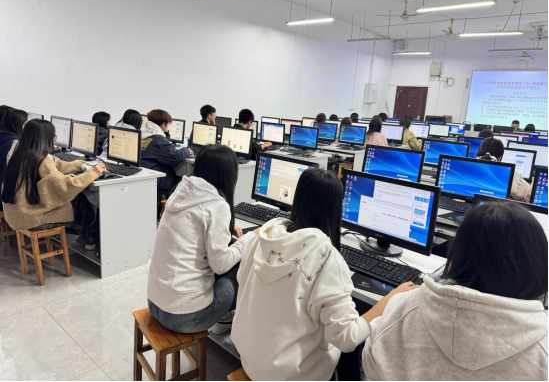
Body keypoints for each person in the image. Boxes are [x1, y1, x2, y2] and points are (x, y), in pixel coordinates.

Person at [232, 168, 418, 381]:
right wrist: (388, 301)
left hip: (249, 358)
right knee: (349, 340)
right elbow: (347, 338)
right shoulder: (327, 258)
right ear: (336, 208)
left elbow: (241, 281)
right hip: (289, 374)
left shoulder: (261, 237)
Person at [362, 201, 547, 380]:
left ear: (458, 251)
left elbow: (371, 365)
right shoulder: (542, 353)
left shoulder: (401, 309)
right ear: (536, 261)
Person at [147, 144, 259, 335]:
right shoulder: (216, 205)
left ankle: (223, 316)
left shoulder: (182, 191)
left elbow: (193, 227)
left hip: (155, 302)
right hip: (184, 317)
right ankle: (224, 321)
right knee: (243, 270)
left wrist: (225, 226)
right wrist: (251, 237)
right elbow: (221, 265)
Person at [1, 120, 107, 250]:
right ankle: (91, 241)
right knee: (79, 201)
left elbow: (55, 165)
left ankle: (85, 237)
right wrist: (93, 173)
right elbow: (64, 187)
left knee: (75, 203)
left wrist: (78, 166)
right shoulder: (42, 160)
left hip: (16, 214)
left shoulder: (18, 153)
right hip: (30, 218)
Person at [141, 109, 193, 200]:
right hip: (160, 179)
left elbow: (166, 146)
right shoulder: (160, 141)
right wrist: (186, 151)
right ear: (163, 124)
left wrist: (165, 134)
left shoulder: (145, 135)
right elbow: (176, 158)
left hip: (146, 175)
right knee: (186, 182)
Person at [0, 108, 28, 210]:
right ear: (20, 125)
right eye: (27, 124)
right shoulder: (15, 145)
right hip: (4, 200)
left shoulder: (4, 138)